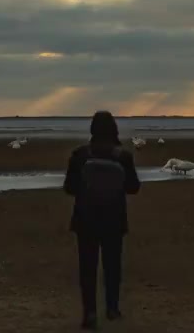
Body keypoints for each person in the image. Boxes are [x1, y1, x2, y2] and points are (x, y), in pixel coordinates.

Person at [62, 111, 141, 330]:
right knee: (112, 265)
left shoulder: (80, 155)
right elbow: (134, 188)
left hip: (85, 219)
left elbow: (69, 188)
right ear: (114, 129)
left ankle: (89, 312)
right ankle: (112, 308)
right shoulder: (122, 156)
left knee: (87, 267)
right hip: (114, 219)